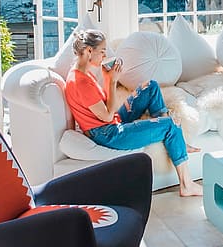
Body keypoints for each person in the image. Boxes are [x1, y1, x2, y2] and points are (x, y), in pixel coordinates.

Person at [64, 28, 203, 197]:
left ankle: (174, 139)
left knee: (150, 87)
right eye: (102, 51)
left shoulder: (82, 72)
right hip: (108, 134)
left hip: (111, 123)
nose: (104, 55)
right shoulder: (81, 82)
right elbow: (107, 115)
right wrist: (111, 81)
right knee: (170, 124)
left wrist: (108, 79)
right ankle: (186, 184)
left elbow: (107, 110)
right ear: (88, 51)